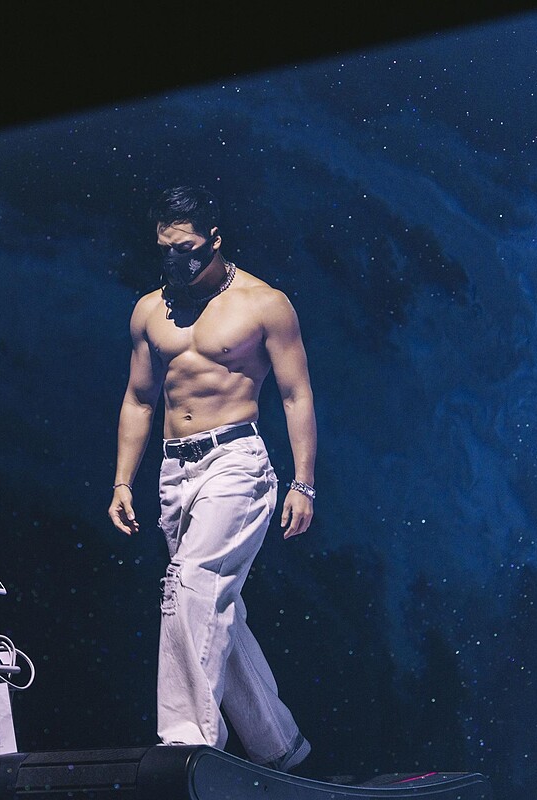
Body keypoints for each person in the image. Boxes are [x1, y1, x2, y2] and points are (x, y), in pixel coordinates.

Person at [108, 185, 317, 773]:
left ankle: (187, 743)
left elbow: (296, 394)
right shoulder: (150, 311)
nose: (176, 259)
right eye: (165, 249)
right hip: (175, 470)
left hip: (236, 462)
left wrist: (303, 483)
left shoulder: (264, 303)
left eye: (187, 248)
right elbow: (139, 399)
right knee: (215, 607)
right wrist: (122, 482)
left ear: (215, 239)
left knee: (191, 586)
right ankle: (280, 745)